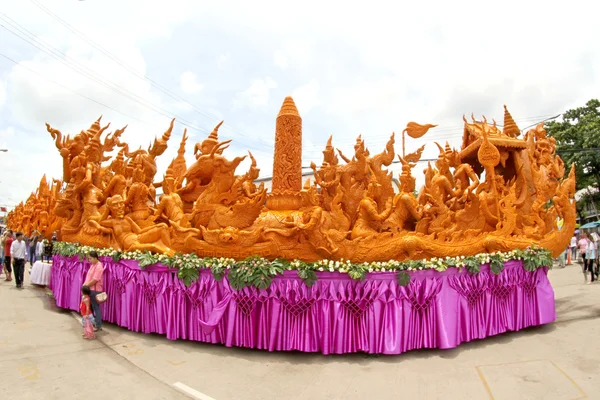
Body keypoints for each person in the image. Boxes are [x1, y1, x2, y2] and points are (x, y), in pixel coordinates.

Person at [83, 250, 105, 331]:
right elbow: (88, 277)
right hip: (90, 289)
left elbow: (95, 280)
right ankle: (92, 323)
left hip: (95, 290)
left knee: (96, 308)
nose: (89, 260)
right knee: (91, 308)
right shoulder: (93, 265)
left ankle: (98, 325)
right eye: (88, 259)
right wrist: (84, 285)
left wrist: (86, 286)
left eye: (90, 258)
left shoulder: (99, 266)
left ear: (96, 258)